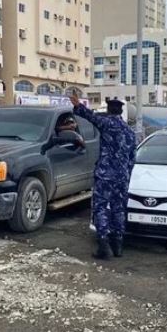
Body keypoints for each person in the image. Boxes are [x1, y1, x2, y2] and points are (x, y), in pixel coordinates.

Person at [70, 93, 136, 260]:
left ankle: (104, 245)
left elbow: (90, 116)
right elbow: (132, 158)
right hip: (122, 177)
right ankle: (118, 245)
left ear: (108, 110)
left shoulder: (106, 123)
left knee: (100, 208)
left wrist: (78, 105)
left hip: (105, 175)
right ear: (121, 111)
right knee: (119, 209)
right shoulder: (130, 131)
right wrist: (126, 174)